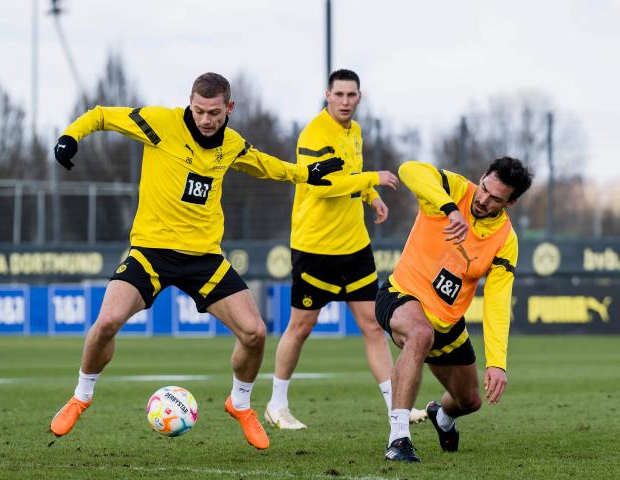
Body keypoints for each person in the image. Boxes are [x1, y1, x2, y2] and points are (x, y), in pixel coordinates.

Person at [48, 72, 344, 450]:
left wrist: (306, 173)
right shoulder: (160, 123)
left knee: (255, 333)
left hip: (205, 258)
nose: (205, 119)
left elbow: (264, 164)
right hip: (151, 252)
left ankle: (240, 404)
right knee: (106, 321)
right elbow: (102, 115)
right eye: (199, 110)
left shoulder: (231, 144)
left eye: (214, 113)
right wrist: (71, 136)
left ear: (229, 108)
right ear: (190, 103)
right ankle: (81, 396)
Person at [264, 69, 426, 430]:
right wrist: (372, 179)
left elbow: (351, 171)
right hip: (316, 248)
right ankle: (276, 404)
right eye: (338, 94)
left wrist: (370, 195)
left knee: (373, 327)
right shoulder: (314, 134)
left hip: (355, 246)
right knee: (301, 326)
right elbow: (321, 185)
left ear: (359, 97)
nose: (345, 101)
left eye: (351, 95)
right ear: (327, 95)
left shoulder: (354, 132)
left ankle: (396, 408)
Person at [376, 158, 533, 462]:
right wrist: (450, 209)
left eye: (496, 198)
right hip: (400, 295)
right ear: (482, 176)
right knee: (420, 333)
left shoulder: (505, 239)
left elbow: (498, 302)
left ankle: (442, 417)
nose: (483, 199)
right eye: (484, 188)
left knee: (469, 401)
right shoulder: (453, 188)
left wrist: (497, 363)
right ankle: (399, 438)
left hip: (447, 325)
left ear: (510, 203)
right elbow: (408, 170)